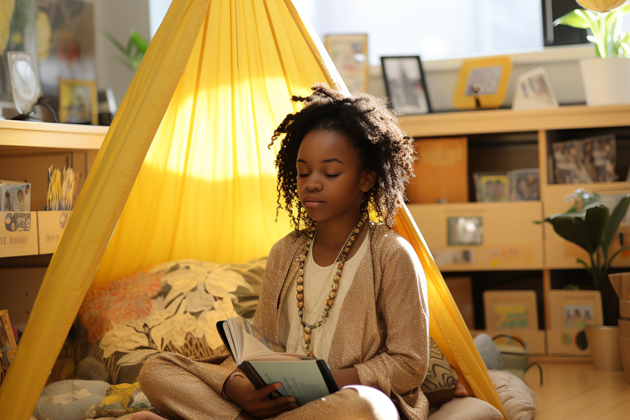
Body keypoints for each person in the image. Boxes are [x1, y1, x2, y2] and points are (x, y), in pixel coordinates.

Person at [134, 84, 448, 420]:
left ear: (367, 179)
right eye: (303, 172)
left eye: (330, 172)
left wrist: (326, 384)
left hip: (343, 401)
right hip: (279, 405)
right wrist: (242, 389)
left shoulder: (392, 254)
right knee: (156, 370)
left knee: (365, 408)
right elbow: (262, 348)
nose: (312, 182)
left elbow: (408, 365)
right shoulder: (285, 252)